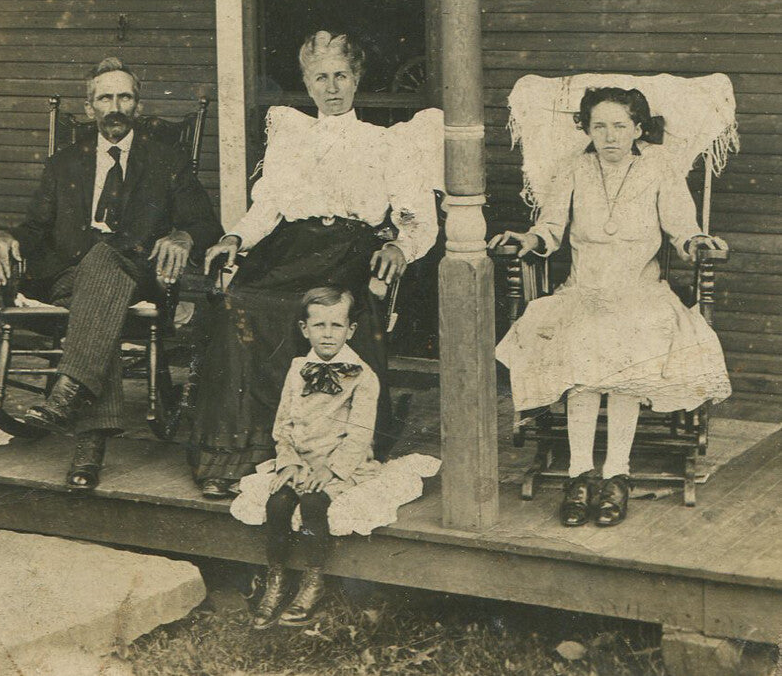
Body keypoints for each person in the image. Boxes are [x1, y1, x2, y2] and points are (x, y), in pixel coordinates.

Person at [188, 31, 441, 499]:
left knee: (319, 310)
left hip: (348, 252)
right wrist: (235, 237)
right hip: (290, 249)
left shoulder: (385, 142)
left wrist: (400, 247)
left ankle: (330, 440)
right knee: (237, 303)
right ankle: (237, 451)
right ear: (306, 85)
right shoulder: (292, 138)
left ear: (357, 79)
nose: (332, 87)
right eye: (320, 77)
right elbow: (267, 209)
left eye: (341, 75)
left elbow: (416, 216)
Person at [490, 87, 732, 527]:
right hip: (583, 290)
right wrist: (527, 240)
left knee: (626, 350)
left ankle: (616, 473)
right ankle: (579, 474)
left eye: (620, 125)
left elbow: (681, 227)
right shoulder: (574, 169)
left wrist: (695, 241)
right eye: (599, 125)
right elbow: (550, 228)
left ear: (638, 128)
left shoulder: (658, 166)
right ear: (586, 129)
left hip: (642, 294)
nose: (610, 136)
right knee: (584, 344)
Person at [0, 58, 220, 490]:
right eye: (105, 97)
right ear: (90, 106)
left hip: (139, 276)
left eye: (124, 96)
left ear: (138, 104)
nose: (115, 106)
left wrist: (184, 236)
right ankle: (84, 425)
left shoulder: (167, 160)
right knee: (97, 279)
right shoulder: (63, 163)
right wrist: (0, 234)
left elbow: (207, 225)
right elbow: (34, 229)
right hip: (70, 277)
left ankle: (74, 404)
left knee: (103, 263)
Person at [249, 287, 380, 629]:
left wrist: (331, 468)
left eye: (336, 326)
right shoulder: (297, 369)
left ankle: (313, 580)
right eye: (319, 325)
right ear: (304, 329)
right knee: (277, 503)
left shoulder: (363, 376)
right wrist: (289, 460)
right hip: (302, 459)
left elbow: (359, 434)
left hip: (340, 463)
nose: (327, 334)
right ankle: (276, 580)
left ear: (350, 330)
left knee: (313, 504)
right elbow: (284, 423)